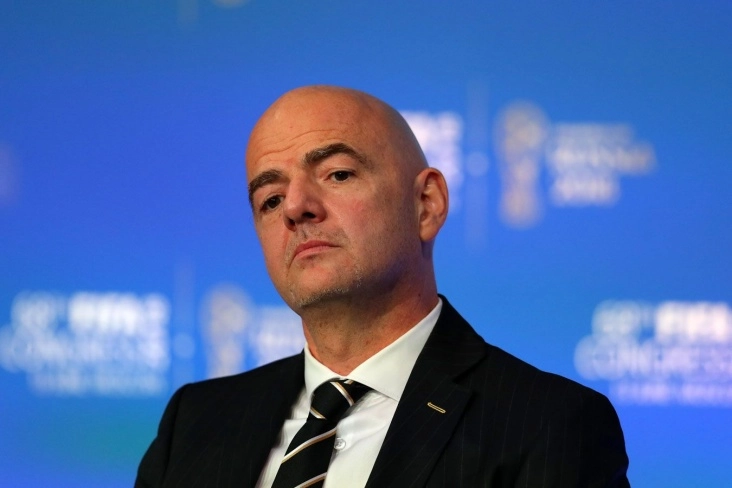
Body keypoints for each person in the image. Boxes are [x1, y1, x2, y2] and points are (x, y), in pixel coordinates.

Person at [135, 86, 630, 487]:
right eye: (270, 198)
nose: (296, 207)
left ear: (427, 204)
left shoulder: (547, 426)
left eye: (337, 174)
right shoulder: (195, 422)